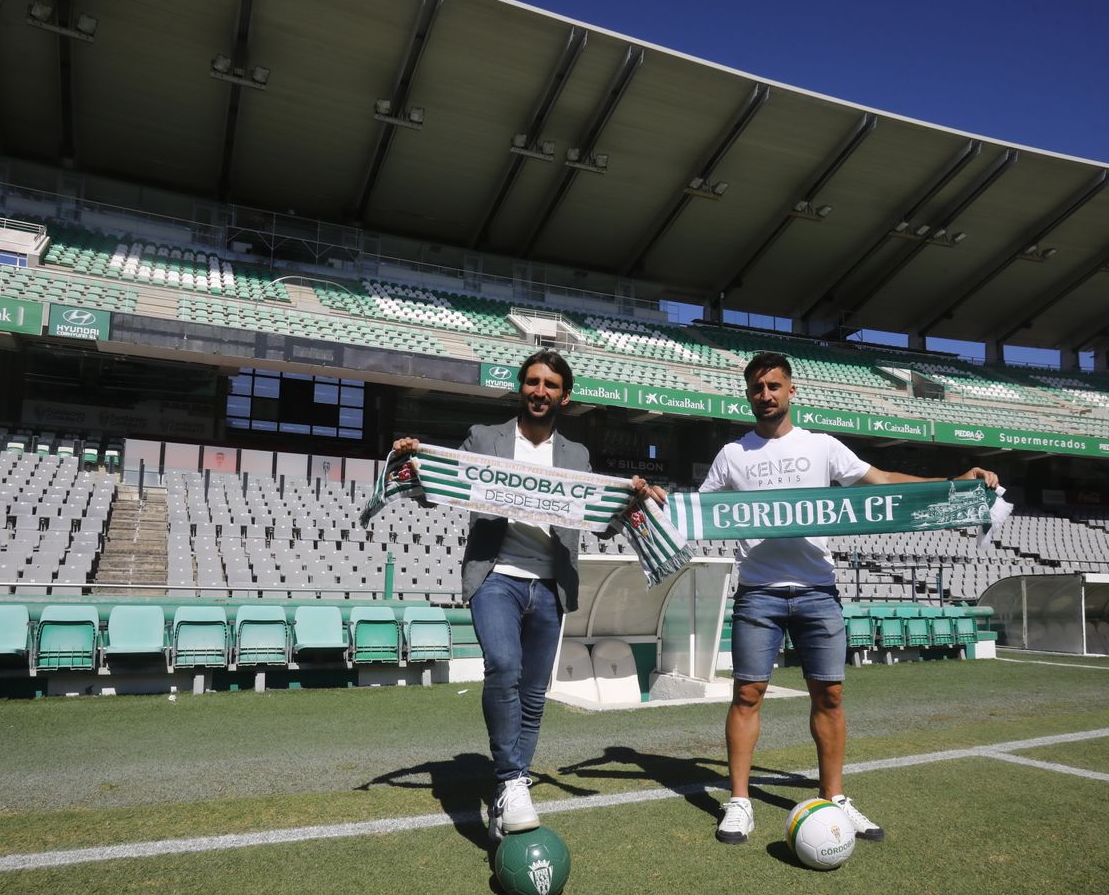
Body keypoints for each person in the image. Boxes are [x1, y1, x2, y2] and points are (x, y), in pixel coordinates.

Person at [703, 352, 999, 845]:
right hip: (758, 592)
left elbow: (881, 483)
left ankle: (835, 797)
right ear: (747, 393)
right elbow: (697, 509)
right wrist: (648, 498)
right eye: (757, 387)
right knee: (747, 694)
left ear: (791, 391)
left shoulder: (822, 446)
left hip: (818, 590)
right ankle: (739, 802)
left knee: (831, 695)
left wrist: (954, 484)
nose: (765, 395)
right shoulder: (732, 455)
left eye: (774, 385)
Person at [392, 350, 655, 844]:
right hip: (496, 577)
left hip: (551, 586)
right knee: (504, 668)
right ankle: (512, 779)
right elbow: (437, 488)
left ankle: (512, 787)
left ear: (565, 395)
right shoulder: (484, 438)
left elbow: (598, 523)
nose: (540, 391)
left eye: (550, 385)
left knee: (534, 695)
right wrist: (412, 459)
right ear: (521, 387)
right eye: (532, 382)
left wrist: (631, 494)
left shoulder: (576, 455)